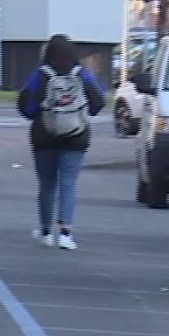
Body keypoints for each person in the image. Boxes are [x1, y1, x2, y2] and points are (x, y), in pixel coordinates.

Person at [16, 34, 106, 251]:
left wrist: (40, 116)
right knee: (68, 183)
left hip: (44, 137)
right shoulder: (82, 74)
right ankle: (65, 233)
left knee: (47, 185)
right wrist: (80, 113)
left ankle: (46, 232)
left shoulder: (39, 75)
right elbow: (98, 102)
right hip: (76, 136)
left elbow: (25, 106)